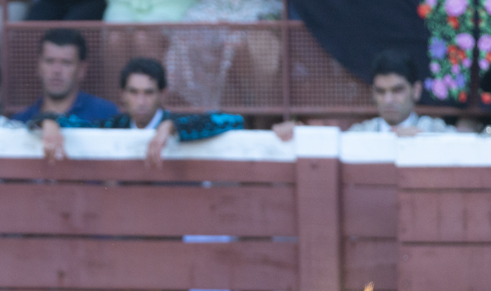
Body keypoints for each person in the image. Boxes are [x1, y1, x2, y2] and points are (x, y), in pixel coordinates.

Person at [35, 57, 243, 165]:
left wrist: (171, 126)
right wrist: (50, 122)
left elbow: (233, 120)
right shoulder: (116, 125)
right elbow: (75, 124)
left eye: (148, 93)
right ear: (122, 94)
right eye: (134, 92)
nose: (141, 101)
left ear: (163, 94)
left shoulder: (176, 122)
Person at [274, 50, 452, 140]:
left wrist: (424, 140)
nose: (388, 100)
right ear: (373, 93)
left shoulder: (434, 130)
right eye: (381, 91)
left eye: (397, 90)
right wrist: (299, 134)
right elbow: (330, 141)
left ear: (417, 90)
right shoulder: (361, 132)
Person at [11, 29, 115, 126]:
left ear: (82, 69)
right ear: (38, 66)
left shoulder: (106, 115)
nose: (56, 70)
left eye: (66, 63)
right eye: (49, 61)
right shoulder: (20, 122)